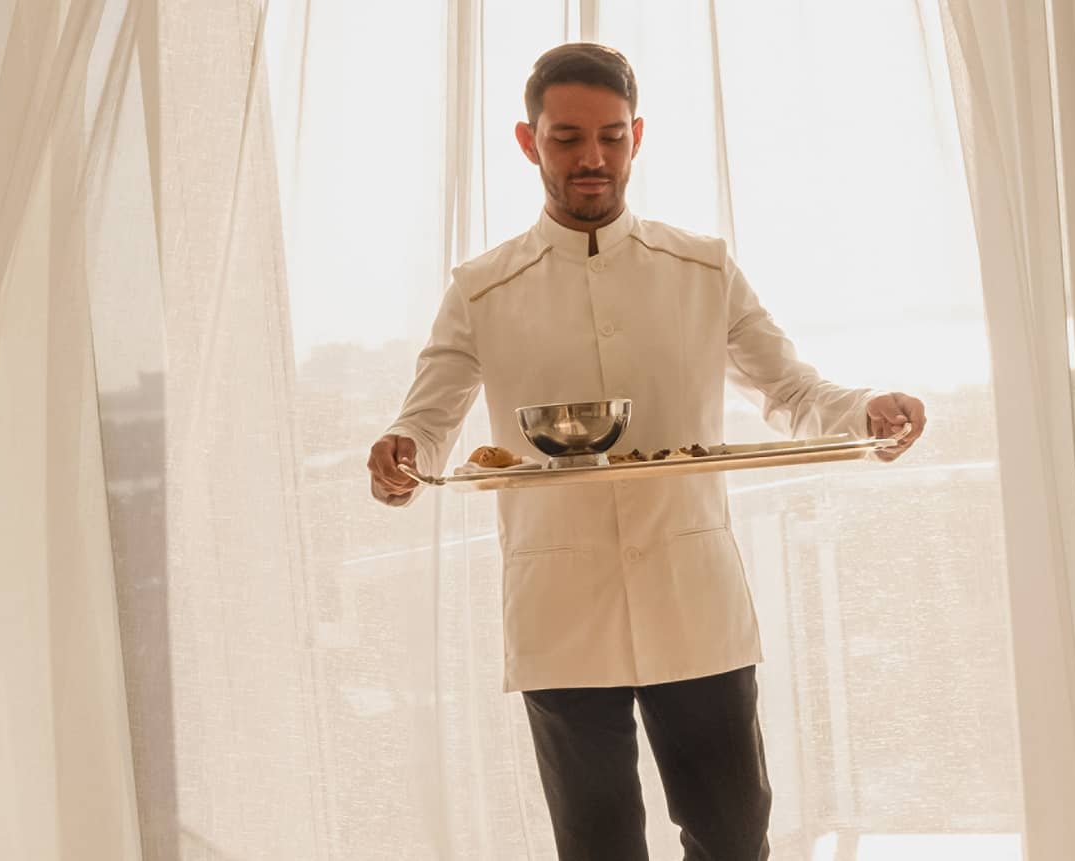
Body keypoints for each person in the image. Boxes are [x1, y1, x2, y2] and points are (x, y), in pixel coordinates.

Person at [366, 42, 927, 860]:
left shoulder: (701, 269)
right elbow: (429, 414)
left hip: (692, 596)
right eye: (566, 138)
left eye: (611, 136)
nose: (592, 158)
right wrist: (400, 453)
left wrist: (866, 410)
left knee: (734, 837)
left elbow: (796, 391)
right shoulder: (481, 288)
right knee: (596, 848)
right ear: (529, 142)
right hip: (561, 606)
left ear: (637, 137)